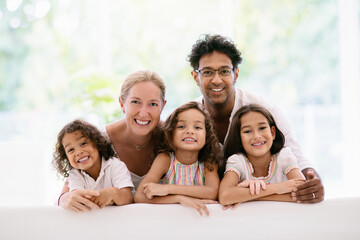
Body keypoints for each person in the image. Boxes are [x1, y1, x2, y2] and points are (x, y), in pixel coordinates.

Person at [188, 34, 324, 203]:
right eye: (207, 72)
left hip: (268, 209)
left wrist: (312, 184)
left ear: (235, 74)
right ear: (196, 77)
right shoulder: (185, 118)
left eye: (224, 71)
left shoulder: (265, 110)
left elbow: (298, 159)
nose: (217, 80)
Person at [58, 70, 167, 211]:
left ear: (163, 106)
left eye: (153, 104)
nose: (143, 112)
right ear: (122, 104)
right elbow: (68, 189)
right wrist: (65, 199)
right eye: (135, 102)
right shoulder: (100, 140)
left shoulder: (174, 138)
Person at [134, 102, 222, 216]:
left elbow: (212, 192)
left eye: (197, 127)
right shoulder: (165, 160)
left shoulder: (208, 162)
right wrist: (179, 199)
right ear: (170, 133)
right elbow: (139, 196)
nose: (190, 131)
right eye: (181, 126)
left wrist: (168, 189)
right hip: (168, 220)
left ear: (207, 136)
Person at [219, 104, 306, 206]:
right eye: (247, 131)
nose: (257, 136)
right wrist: (277, 188)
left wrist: (248, 196)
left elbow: (303, 193)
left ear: (272, 133)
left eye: (262, 128)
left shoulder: (284, 157)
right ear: (239, 138)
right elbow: (224, 196)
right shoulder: (237, 161)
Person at [52, 119, 133, 210]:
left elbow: (127, 198)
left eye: (83, 143)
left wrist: (112, 193)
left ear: (97, 143)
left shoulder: (115, 166)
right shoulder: (75, 174)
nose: (78, 152)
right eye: (71, 150)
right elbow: (78, 200)